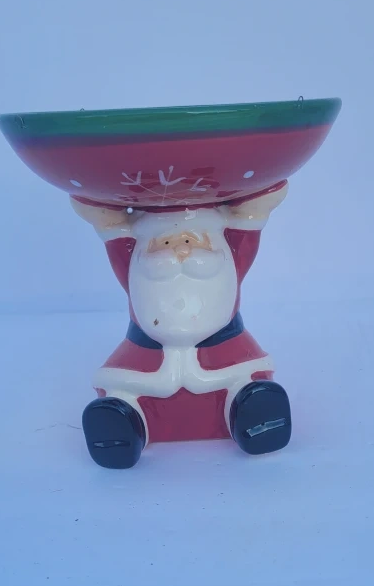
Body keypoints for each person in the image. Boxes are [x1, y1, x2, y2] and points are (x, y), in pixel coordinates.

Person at [72, 183, 291, 468]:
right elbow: (110, 226)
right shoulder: (133, 253)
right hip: (147, 357)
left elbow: (250, 221)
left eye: (191, 240)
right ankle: (125, 421)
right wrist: (103, 211)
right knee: (123, 392)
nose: (180, 250)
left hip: (224, 353)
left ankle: (252, 411)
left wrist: (256, 204)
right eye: (166, 243)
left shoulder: (229, 247)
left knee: (247, 384)